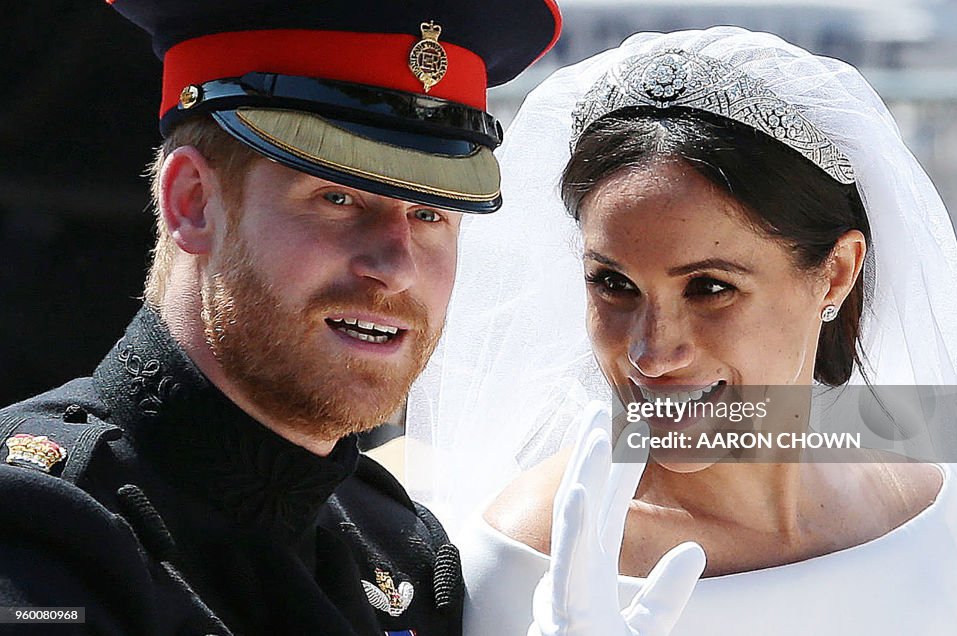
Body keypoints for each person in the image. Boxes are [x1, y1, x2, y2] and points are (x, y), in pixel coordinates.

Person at [405, 27, 957, 634]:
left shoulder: (929, 516)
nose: (652, 351)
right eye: (614, 285)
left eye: (710, 288)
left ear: (835, 275)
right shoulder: (533, 557)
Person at [0, 1, 560, 634]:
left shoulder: (402, 549)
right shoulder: (39, 528)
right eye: (339, 197)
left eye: (431, 214)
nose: (397, 266)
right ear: (192, 203)